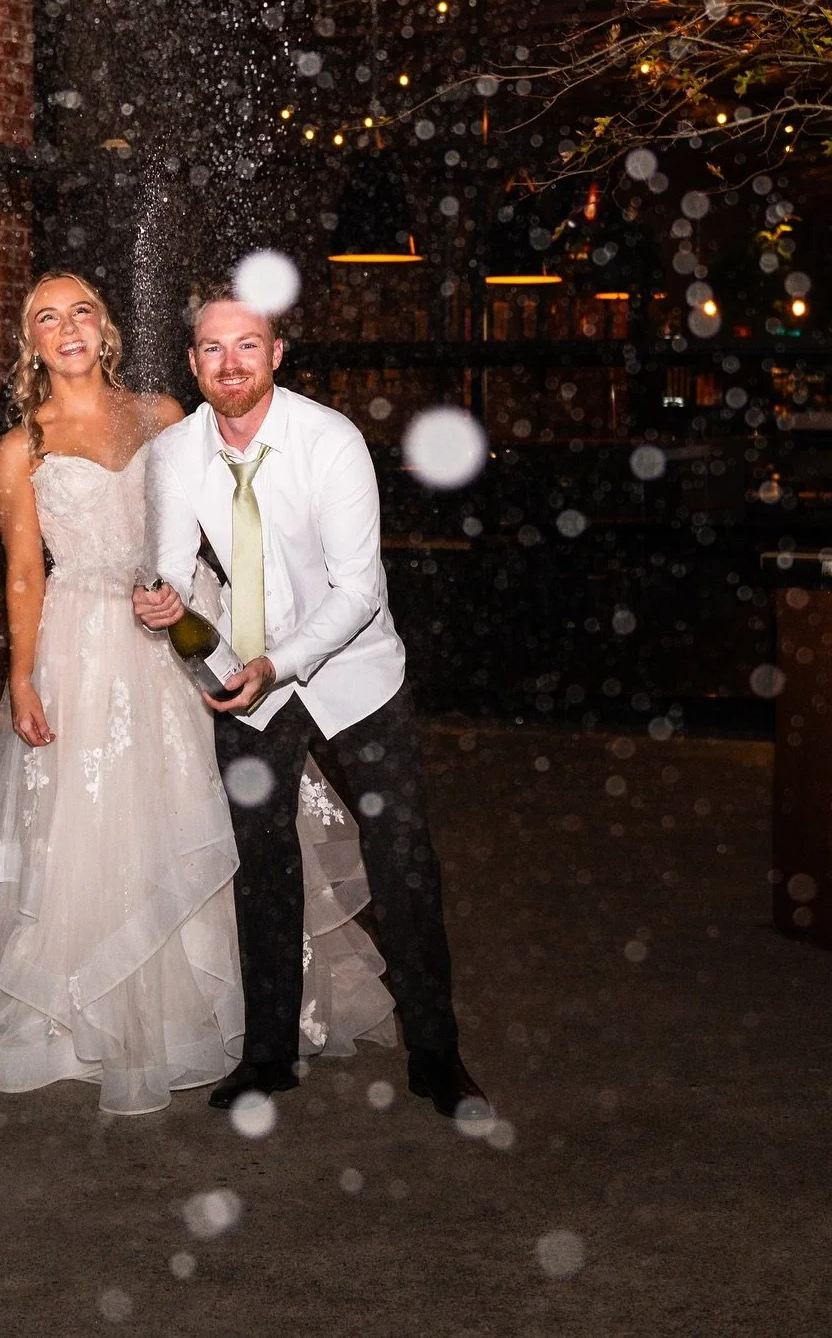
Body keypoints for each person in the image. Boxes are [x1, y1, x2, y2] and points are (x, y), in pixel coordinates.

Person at [0, 271, 394, 1115]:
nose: (68, 326)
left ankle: (247, 1012)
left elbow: (228, 524)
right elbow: (21, 573)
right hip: (83, 646)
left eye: (81, 309)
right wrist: (19, 678)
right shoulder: (26, 448)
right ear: (33, 344)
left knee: (212, 819)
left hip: (186, 637)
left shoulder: (164, 416)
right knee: (93, 831)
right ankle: (95, 1017)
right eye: (47, 318)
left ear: (106, 327)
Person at [134, 287, 485, 1115]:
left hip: (356, 677)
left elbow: (358, 589)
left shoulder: (330, 440)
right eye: (213, 349)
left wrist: (278, 661)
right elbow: (175, 567)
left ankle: (436, 1053)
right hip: (244, 685)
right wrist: (165, 601)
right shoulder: (175, 454)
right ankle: (268, 1056)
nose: (230, 364)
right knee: (261, 865)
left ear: (276, 354)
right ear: (193, 363)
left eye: (247, 346)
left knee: (402, 860)